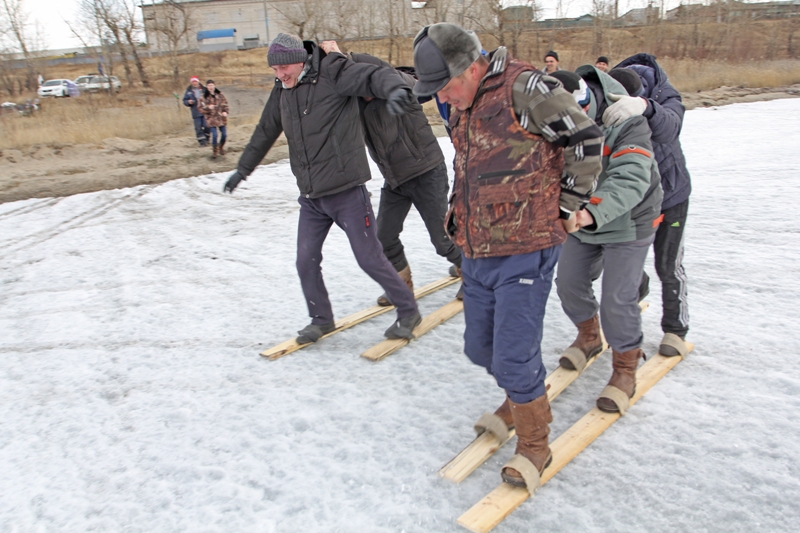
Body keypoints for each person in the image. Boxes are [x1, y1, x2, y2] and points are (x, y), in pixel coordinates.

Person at [412, 23, 603, 489]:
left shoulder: (528, 87)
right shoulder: (463, 102)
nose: (443, 98)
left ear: (472, 67)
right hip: (478, 247)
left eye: (445, 86)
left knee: (514, 356)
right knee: (481, 349)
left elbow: (586, 139)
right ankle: (520, 398)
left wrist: (567, 204)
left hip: (527, 245)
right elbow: (468, 166)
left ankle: (535, 445)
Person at [223, 33, 422, 343]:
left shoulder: (333, 73)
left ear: (300, 61)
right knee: (305, 260)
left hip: (347, 192)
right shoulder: (283, 90)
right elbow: (265, 130)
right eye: (274, 70)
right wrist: (242, 169)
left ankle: (408, 311)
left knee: (369, 258)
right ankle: (321, 319)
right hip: (312, 197)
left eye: (284, 68)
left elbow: (372, 75)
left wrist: (396, 88)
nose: (279, 75)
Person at [318, 40, 462, 305]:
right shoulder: (355, 103)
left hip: (426, 170)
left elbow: (405, 84)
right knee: (384, 238)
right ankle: (402, 287)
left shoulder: (400, 86)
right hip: (395, 179)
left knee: (443, 239)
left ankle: (473, 276)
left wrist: (343, 59)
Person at [553, 67, 663, 416]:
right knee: (569, 282)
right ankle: (589, 335)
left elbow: (631, 177)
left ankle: (625, 368)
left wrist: (586, 213)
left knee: (617, 298)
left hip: (630, 219)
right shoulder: (551, 124)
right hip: (581, 220)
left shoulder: (626, 121)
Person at [604, 53, 692, 357]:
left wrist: (645, 108)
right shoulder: (610, 92)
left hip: (671, 195)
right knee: (623, 265)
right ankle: (634, 298)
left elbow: (670, 126)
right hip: (634, 200)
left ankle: (675, 330)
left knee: (668, 264)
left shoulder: (663, 94)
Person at [199, 80, 229, 159]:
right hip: (211, 119)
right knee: (215, 135)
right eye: (209, 86)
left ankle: (221, 147)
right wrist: (208, 107)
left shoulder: (220, 95)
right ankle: (215, 151)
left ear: (214, 86)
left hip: (220, 118)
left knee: (224, 134)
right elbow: (200, 108)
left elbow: (225, 104)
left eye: (212, 85)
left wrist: (225, 112)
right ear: (207, 87)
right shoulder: (203, 96)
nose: (211, 87)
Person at [183, 76, 210, 147]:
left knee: (207, 126)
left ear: (198, 82)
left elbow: (210, 97)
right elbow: (184, 100)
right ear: (191, 83)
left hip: (205, 111)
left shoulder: (204, 89)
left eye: (195, 81)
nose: (194, 83)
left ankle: (207, 138)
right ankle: (202, 142)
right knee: (198, 128)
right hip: (195, 112)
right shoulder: (188, 91)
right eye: (193, 82)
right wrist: (188, 102)